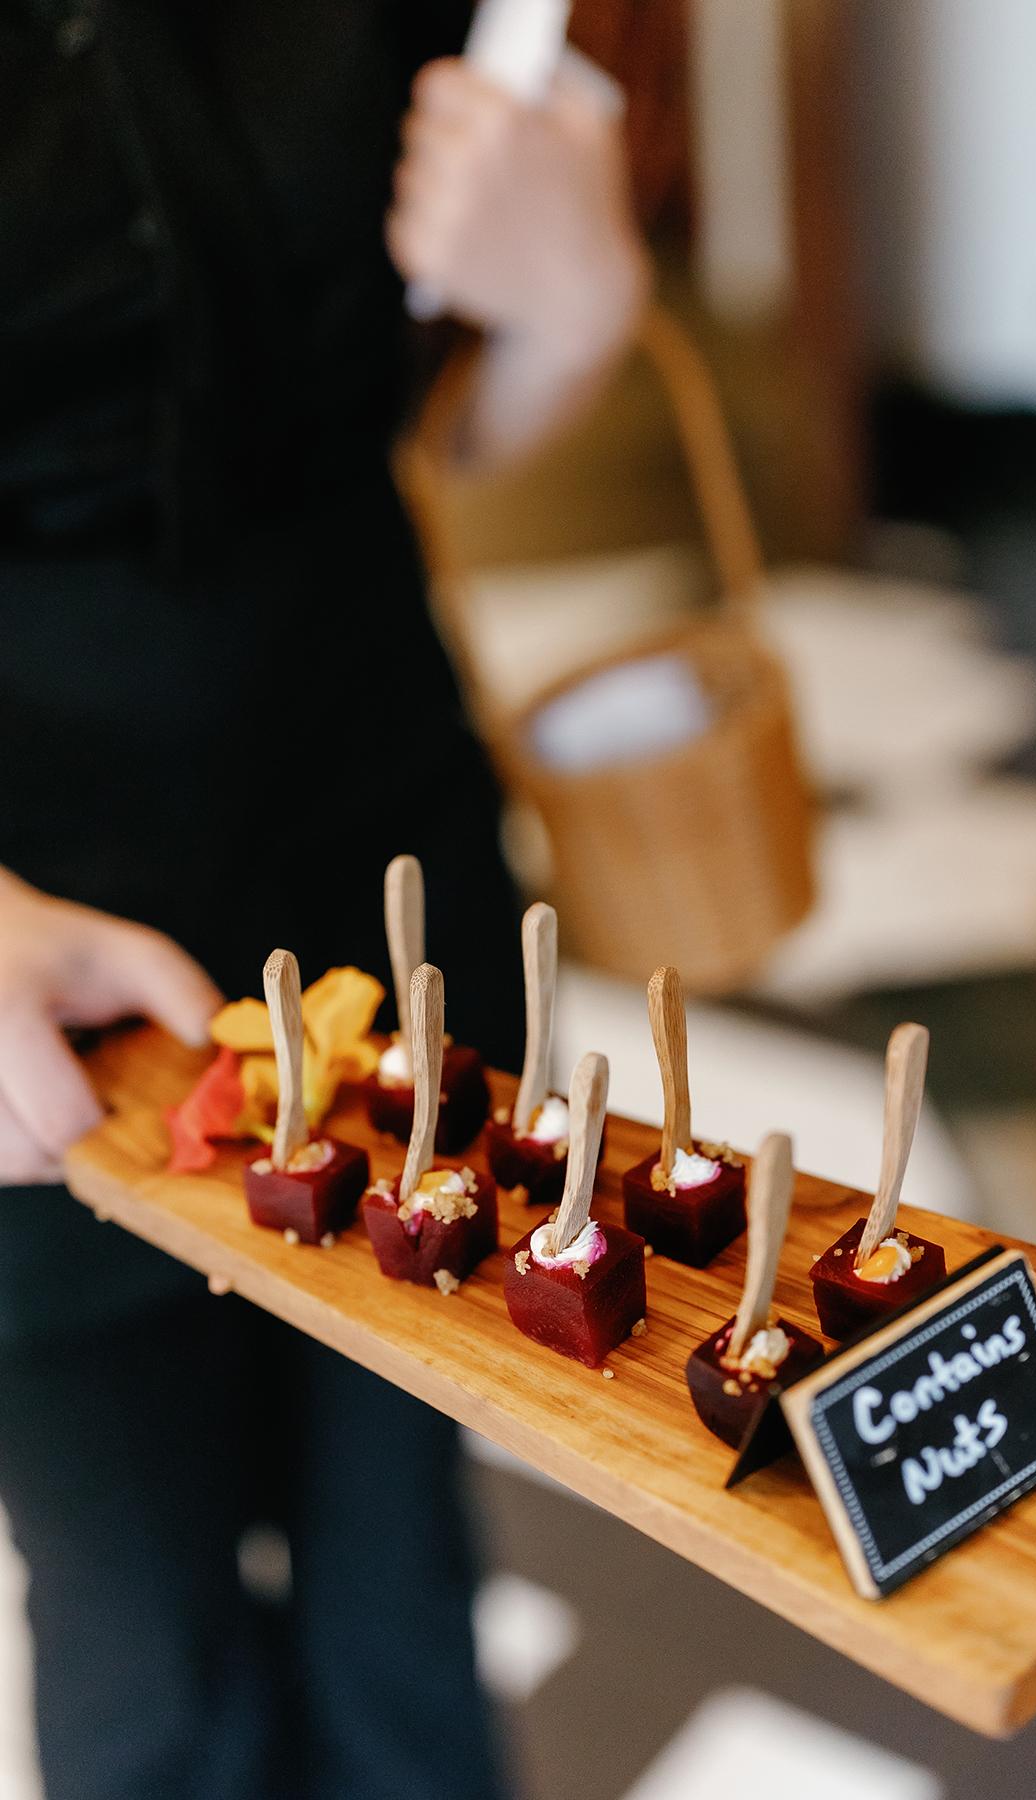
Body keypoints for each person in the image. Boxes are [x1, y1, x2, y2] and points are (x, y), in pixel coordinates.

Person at [0, 5, 649, 1797]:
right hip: (32, 979)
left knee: (400, 1584)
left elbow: (443, 420)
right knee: (142, 1645)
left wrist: (577, 302)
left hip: (383, 854)